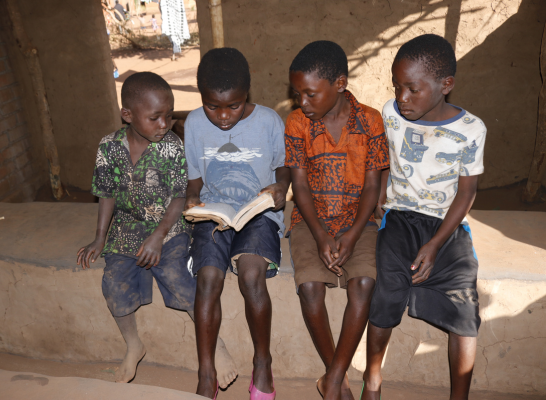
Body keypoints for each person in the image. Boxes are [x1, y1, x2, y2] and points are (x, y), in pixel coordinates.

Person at [76, 72, 237, 387]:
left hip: (169, 225)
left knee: (178, 277)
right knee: (113, 283)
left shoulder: (171, 147)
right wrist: (99, 238)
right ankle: (133, 344)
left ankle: (214, 343)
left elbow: (179, 197)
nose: (164, 123)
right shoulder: (108, 147)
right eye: (155, 118)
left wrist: (158, 236)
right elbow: (106, 194)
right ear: (128, 115)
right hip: (126, 229)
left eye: (169, 115)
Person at [362, 34, 486, 400]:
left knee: (465, 306)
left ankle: (458, 395)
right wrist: (382, 194)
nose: (402, 97)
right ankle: (372, 379)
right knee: (386, 288)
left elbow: (466, 193)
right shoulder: (391, 113)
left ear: (445, 85)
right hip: (400, 216)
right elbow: (389, 157)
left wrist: (434, 245)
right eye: (397, 86)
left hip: (447, 224)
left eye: (412, 89)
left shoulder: (470, 130)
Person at [285, 41, 389, 400]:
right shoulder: (297, 123)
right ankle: (338, 380)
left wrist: (354, 232)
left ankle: (332, 379)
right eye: (298, 94)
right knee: (310, 288)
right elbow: (298, 184)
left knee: (363, 284)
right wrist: (319, 236)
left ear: (340, 84)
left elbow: (373, 184)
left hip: (358, 221)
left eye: (311, 94)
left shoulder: (371, 120)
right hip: (309, 220)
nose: (303, 102)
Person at [184, 47, 290, 400]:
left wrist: (281, 186)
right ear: (202, 99)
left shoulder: (269, 121)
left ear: (248, 95)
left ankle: (263, 362)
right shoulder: (195, 124)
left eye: (234, 105)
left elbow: (282, 166)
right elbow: (195, 178)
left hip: (257, 213)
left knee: (250, 275)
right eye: (213, 106)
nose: (224, 115)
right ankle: (206, 370)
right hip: (214, 213)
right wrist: (192, 198)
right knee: (209, 279)